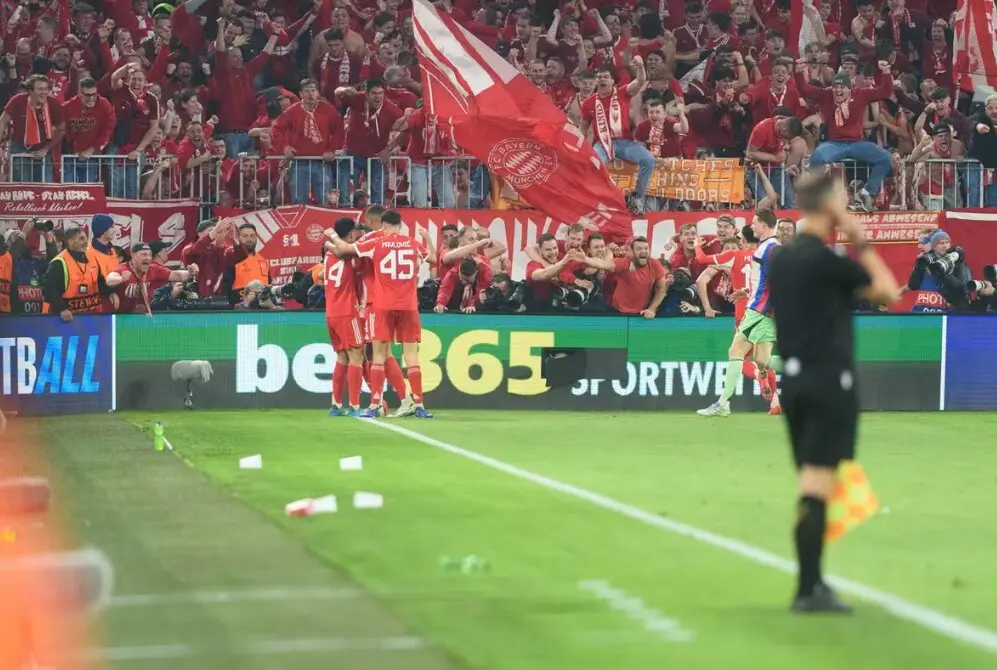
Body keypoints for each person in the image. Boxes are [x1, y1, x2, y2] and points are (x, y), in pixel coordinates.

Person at [768, 171, 899, 612]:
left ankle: (811, 584)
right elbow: (887, 291)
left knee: (812, 480)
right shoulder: (827, 262)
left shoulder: (780, 259)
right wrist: (860, 238)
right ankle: (810, 589)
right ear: (830, 207)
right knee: (817, 483)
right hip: (828, 381)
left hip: (795, 381)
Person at [327, 210, 432, 418]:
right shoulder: (399, 241)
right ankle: (407, 401)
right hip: (391, 303)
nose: (360, 232)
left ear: (376, 222)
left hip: (374, 303)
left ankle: (385, 401)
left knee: (378, 354)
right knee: (383, 353)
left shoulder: (373, 241)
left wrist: (330, 240)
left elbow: (343, 252)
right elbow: (436, 259)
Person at [698, 209, 780, 416]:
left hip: (759, 311)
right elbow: (766, 280)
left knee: (736, 352)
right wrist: (746, 291)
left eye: (754, 223)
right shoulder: (770, 247)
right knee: (762, 360)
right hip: (766, 309)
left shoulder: (767, 249)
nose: (752, 226)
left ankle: (723, 404)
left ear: (764, 224)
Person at [323, 217, 366, 416]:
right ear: (350, 235)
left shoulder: (328, 254)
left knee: (342, 357)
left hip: (331, 312)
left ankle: (335, 404)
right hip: (347, 312)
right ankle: (355, 406)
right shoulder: (349, 253)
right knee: (356, 355)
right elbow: (344, 251)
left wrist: (328, 241)